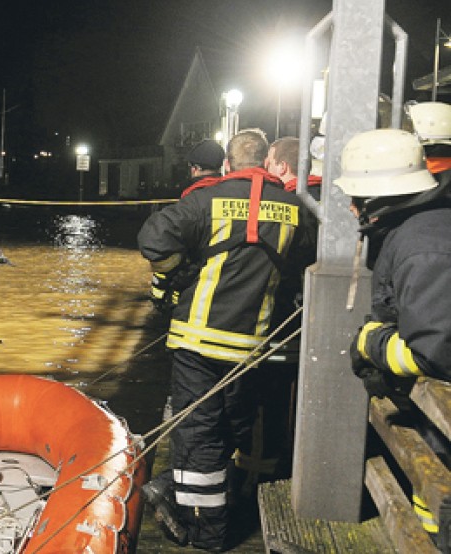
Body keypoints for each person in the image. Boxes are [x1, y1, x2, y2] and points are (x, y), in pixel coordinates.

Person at [137, 129, 318, 551]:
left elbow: (152, 241)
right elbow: (307, 259)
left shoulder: (203, 200)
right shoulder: (295, 209)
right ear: (265, 162)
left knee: (198, 434)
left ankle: (207, 533)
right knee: (234, 427)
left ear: (228, 164)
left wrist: (176, 269)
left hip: (196, 343)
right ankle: (221, 510)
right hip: (251, 348)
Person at [335, 128, 451, 546]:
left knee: (437, 522)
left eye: (356, 198)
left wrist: (371, 343)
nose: (350, 209)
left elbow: (435, 352)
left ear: (379, 197)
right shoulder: (416, 232)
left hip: (443, 433)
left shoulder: (423, 249)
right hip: (434, 430)